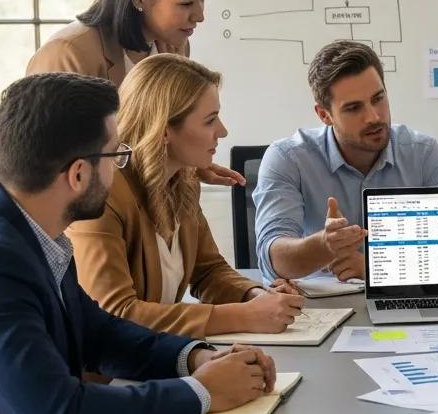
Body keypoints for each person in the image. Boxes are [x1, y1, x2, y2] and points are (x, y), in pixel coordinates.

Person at [0, 73, 276, 414]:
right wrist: (202, 393)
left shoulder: (32, 234)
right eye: (116, 155)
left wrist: (195, 357)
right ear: (78, 174)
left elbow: (96, 330)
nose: (121, 167)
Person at [68, 55, 303, 338]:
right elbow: (115, 312)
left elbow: (208, 271)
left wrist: (255, 296)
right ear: (164, 130)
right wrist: (243, 316)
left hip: (159, 360)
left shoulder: (183, 180)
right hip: (108, 377)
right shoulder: (103, 197)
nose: (223, 131)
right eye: (210, 120)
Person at [25, 0, 241, 188]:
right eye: (186, 3)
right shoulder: (69, 53)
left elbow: (159, 138)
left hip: (146, 206)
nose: (200, 15)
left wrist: (187, 165)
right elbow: (52, 162)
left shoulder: (175, 47)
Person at [255, 40, 438, 283]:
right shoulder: (288, 159)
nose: (374, 117)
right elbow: (272, 260)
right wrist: (324, 245)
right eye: (353, 108)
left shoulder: (424, 154)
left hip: (405, 297)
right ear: (324, 114)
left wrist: (377, 269)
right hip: (321, 310)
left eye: (378, 98)